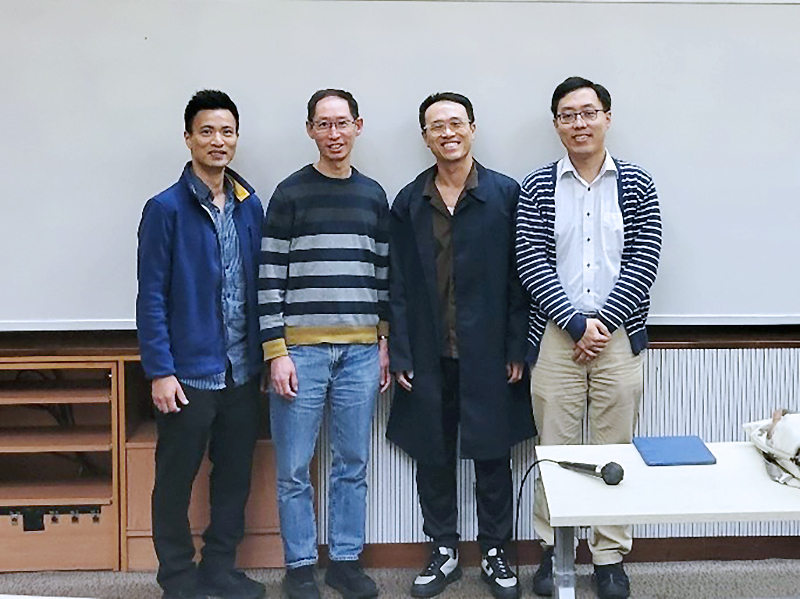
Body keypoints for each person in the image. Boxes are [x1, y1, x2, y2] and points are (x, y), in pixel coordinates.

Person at [516, 76, 662, 599]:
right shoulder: (537, 185)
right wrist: (577, 325)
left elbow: (645, 255)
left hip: (619, 337)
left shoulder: (637, 183)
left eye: (588, 112)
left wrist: (604, 323)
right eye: (568, 115)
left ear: (606, 118)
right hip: (555, 337)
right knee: (554, 451)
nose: (579, 123)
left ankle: (608, 557)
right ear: (557, 124)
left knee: (613, 448)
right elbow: (530, 261)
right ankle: (553, 551)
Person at [386, 92, 535, 599]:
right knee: (433, 452)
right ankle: (443, 548)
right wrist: (400, 350)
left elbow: (521, 278)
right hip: (428, 352)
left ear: (472, 128)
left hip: (489, 350)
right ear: (425, 137)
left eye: (456, 123)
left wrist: (517, 346)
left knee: (492, 453)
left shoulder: (505, 194)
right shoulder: (410, 201)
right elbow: (397, 283)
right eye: (436, 126)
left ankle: (495, 551)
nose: (447, 133)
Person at [259, 89, 390, 599]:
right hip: (302, 353)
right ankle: (298, 566)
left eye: (342, 123)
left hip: (361, 352)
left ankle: (345, 562)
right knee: (294, 468)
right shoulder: (289, 194)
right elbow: (269, 276)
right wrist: (276, 351)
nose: (334, 134)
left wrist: (383, 341)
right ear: (310, 130)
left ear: (358, 126)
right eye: (324, 124)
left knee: (352, 463)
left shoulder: (373, 195)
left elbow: (383, 274)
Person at [136, 90, 267, 599]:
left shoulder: (249, 204)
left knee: (233, 478)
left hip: (241, 370)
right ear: (188, 138)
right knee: (175, 480)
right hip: (188, 374)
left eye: (227, 132)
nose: (218, 141)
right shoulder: (165, 208)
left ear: (236, 139)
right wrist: (160, 370)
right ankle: (177, 577)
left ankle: (220, 569)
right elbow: (151, 295)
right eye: (207, 131)